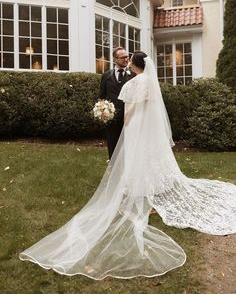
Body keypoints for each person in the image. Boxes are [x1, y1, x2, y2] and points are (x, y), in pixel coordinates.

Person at [19, 51, 236, 280]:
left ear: (134, 64)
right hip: (151, 129)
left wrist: (126, 127)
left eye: (130, 59)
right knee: (150, 155)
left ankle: (138, 185)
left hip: (136, 127)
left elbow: (129, 112)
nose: (128, 61)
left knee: (135, 156)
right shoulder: (150, 82)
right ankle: (156, 183)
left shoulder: (134, 83)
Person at [100, 47, 136, 159]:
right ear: (115, 59)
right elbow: (102, 96)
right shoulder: (106, 76)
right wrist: (103, 110)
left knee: (128, 146)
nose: (126, 59)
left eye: (127, 56)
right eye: (123, 57)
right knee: (112, 144)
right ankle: (113, 167)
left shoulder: (134, 75)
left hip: (129, 117)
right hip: (111, 118)